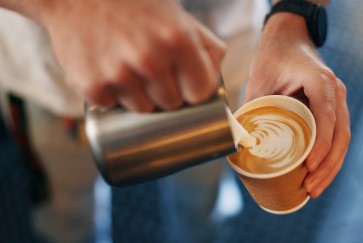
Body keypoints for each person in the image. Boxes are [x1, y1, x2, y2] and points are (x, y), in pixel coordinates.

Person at [0, 0, 350, 242]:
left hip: (225, 63)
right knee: (68, 214)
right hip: (51, 79)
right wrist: (66, 8)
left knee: (203, 198)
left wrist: (293, 19)